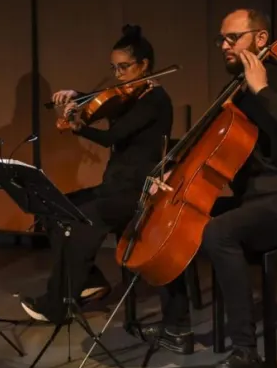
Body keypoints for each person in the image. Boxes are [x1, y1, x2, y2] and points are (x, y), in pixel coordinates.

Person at [146, 9, 277, 368]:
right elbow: (204, 147)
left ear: (261, 39)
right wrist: (171, 170)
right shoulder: (233, 92)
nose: (225, 47)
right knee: (175, 216)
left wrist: (262, 89)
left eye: (234, 38)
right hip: (254, 201)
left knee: (219, 232)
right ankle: (177, 327)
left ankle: (246, 352)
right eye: (222, 40)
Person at [19, 25, 182, 328]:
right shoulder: (129, 96)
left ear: (144, 65)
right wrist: (77, 97)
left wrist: (81, 128)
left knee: (83, 220)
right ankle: (89, 281)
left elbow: (113, 136)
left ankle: (57, 305)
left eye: (124, 67)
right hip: (115, 185)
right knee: (56, 210)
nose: (118, 75)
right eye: (114, 68)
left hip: (137, 191)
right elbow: (108, 101)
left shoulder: (155, 100)